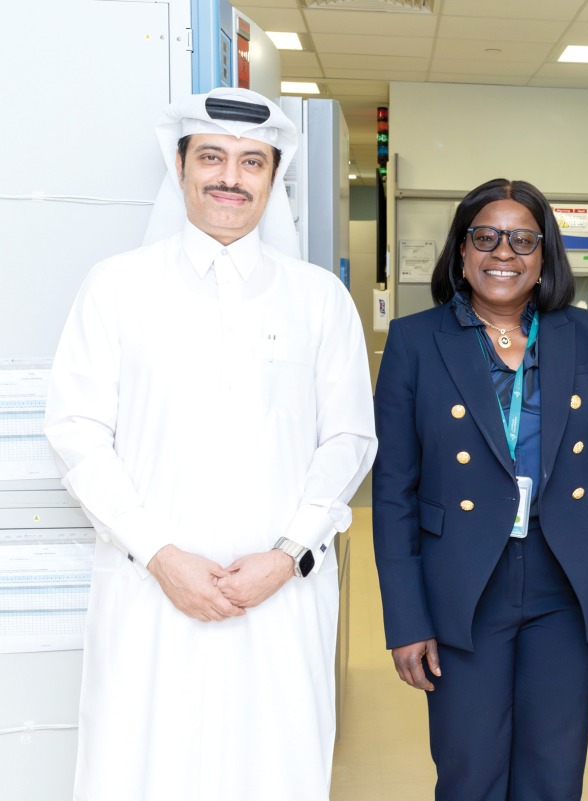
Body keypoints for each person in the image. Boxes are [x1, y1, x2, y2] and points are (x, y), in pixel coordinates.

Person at [43, 88, 377, 800]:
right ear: (181, 165)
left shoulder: (318, 300)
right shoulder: (117, 288)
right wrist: (160, 555)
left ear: (273, 176)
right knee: (145, 768)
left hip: (278, 595)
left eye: (252, 161)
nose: (231, 177)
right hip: (150, 594)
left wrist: (285, 555)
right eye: (214, 157)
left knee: (274, 767)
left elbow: (348, 438)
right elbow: (76, 433)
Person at [372, 177, 588, 801]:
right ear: (461, 252)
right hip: (463, 585)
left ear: (545, 255)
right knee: (470, 770)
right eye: (486, 238)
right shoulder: (416, 342)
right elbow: (393, 496)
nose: (504, 254)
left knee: (554, 771)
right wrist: (406, 618)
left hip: (567, 585)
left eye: (523, 240)